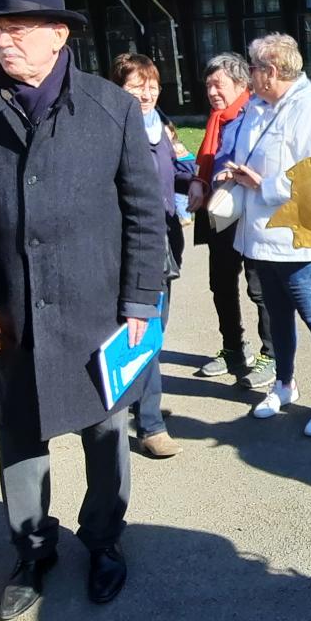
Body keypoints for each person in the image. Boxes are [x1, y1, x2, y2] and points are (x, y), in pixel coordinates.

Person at [0, 0, 167, 621]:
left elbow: (144, 213)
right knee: (19, 439)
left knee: (105, 434)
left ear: (58, 35)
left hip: (97, 311)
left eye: (18, 29)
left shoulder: (110, 108)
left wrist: (140, 301)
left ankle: (104, 541)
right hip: (9, 316)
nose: (3, 40)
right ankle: (32, 551)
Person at [215, 33, 311, 437]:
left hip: (295, 239)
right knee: (276, 317)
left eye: (253, 68)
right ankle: (285, 384)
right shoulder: (259, 105)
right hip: (259, 235)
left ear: (271, 71)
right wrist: (233, 171)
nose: (249, 74)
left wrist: (264, 184)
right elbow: (244, 150)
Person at [113, 52, 193, 460]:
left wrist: (200, 181)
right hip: (128, 246)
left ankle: (137, 405)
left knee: (153, 330)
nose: (146, 94)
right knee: (142, 333)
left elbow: (178, 169)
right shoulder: (109, 129)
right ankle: (150, 425)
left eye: (152, 86)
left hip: (164, 243)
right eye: (135, 87)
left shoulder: (161, 125)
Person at [189, 53, 274, 391]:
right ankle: (234, 349)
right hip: (221, 213)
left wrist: (238, 173)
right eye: (208, 85)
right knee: (222, 285)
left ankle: (272, 354)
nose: (212, 92)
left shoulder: (257, 114)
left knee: (259, 287)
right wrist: (199, 180)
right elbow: (207, 159)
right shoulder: (217, 119)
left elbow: (270, 160)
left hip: (251, 213)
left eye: (218, 84)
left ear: (241, 84)